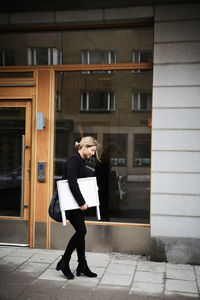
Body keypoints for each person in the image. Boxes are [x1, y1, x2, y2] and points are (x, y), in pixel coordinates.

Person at [56, 136, 100, 279]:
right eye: (92, 150)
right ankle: (65, 261)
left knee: (81, 233)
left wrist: (93, 188)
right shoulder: (74, 160)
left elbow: (81, 183)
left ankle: (82, 265)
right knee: (81, 231)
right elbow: (72, 183)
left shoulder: (80, 161)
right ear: (84, 147)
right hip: (73, 205)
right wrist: (82, 203)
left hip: (75, 205)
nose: (92, 154)